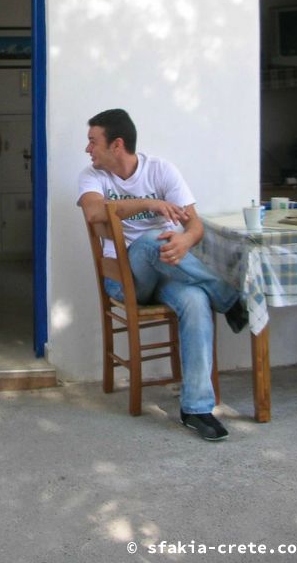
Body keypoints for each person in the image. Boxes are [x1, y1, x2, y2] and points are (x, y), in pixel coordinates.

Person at [78, 109, 248, 441]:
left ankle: (196, 409)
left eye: (92, 142)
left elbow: (194, 226)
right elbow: (94, 211)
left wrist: (185, 240)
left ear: (117, 144)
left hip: (168, 271)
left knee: (197, 299)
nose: (88, 149)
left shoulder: (161, 170)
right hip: (125, 281)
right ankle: (229, 299)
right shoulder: (92, 176)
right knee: (152, 240)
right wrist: (151, 205)